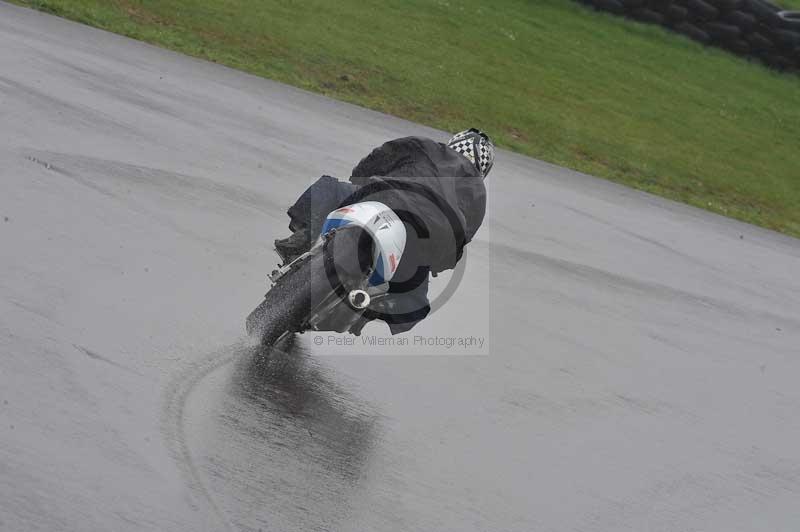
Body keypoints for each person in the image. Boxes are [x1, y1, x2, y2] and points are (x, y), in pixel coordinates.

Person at [274, 128, 494, 333]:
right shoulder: (479, 194)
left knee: (328, 186)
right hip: (425, 236)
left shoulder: (427, 146)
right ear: (483, 169)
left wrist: (359, 179)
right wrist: (435, 263)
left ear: (454, 143)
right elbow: (460, 241)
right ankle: (374, 307)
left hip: (385, 197)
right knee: (415, 304)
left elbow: (380, 157)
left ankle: (302, 238)